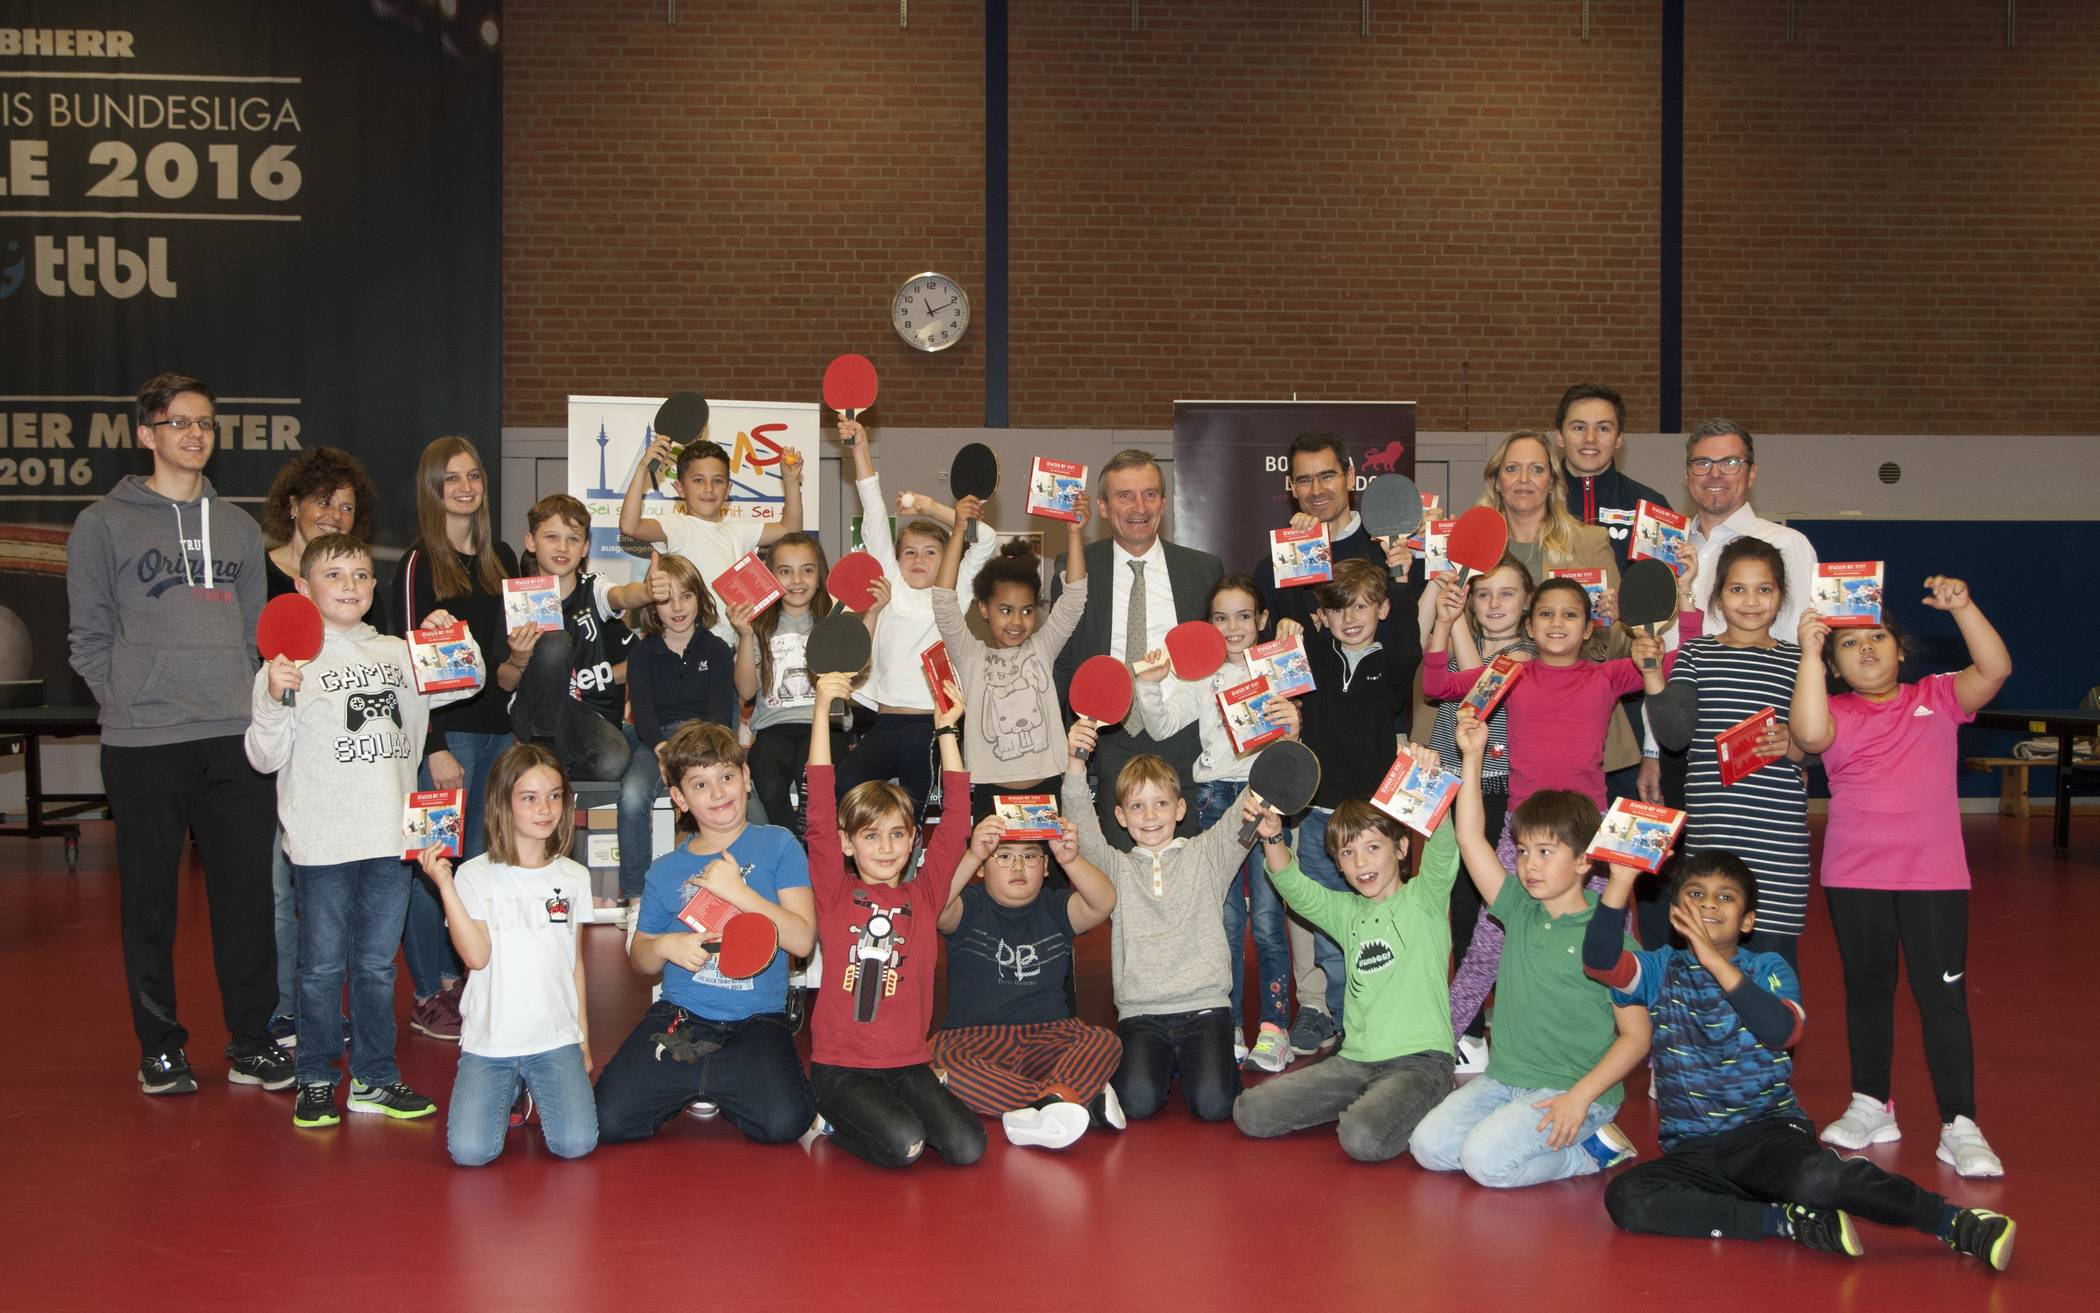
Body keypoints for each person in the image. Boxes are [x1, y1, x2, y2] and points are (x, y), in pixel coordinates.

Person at [1584, 853, 2015, 1270]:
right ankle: (1784, 1221)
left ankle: (1955, 1223)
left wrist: (1713, 960)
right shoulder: (1660, 968)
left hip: (1767, 1137)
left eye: (1725, 897)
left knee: (1821, 1181)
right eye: (1695, 894)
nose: (1708, 904)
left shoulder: (1767, 967)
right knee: (1627, 1197)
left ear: (1748, 921)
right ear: (1677, 912)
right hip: (1692, 1149)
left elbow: (1780, 1031)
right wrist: (1620, 884)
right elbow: (1601, 962)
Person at [66, 372, 292, 1097]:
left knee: (246, 900)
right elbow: (88, 637)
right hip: (144, 741)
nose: (195, 434)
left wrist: (251, 707)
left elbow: (259, 637)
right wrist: (131, 699)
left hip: (233, 737)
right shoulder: (103, 523)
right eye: (180, 422)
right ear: (147, 432)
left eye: (205, 423)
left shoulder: (237, 527)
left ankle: (253, 1039)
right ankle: (160, 1045)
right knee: (151, 904)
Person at [246, 531, 478, 1127]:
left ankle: (374, 1078)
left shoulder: (399, 654)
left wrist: (452, 635)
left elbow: (469, 682)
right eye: (334, 574)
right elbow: (263, 756)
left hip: (390, 839)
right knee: (322, 967)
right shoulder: (287, 664)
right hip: (322, 842)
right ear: (303, 588)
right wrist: (273, 697)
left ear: (374, 589)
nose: (349, 584)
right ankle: (317, 1077)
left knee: (376, 967)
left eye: (360, 574)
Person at [1790, 576, 2012, 1177]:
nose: (1866, 650)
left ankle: (1959, 1122)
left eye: (1879, 637)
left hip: (1934, 878)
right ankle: (1871, 1103)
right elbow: (1808, 737)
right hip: (1854, 876)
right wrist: (1808, 652)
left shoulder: (1939, 697)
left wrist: (1964, 607)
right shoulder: (1830, 710)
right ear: (1833, 664)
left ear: (1901, 649)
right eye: (1848, 644)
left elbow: (1993, 670)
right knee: (1867, 990)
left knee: (1942, 998)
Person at [1424, 568, 1695, 1053]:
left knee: (1614, 939)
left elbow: (1673, 662)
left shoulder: (1607, 675)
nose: (1556, 623)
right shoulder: (1509, 673)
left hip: (1589, 835)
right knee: (1489, 942)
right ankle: (1440, 1042)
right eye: (1546, 614)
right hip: (1521, 830)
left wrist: (1684, 608)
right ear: (1529, 626)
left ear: (1589, 628)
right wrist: (1443, 625)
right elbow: (1438, 685)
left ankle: (1650, 1046)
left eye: (1570, 615)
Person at [1408, 712, 1651, 1186]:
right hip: (1504, 1081)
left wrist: (1580, 1098)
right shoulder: (1518, 908)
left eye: (1545, 852)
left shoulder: (1610, 938)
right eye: (1521, 852)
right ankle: (1525, 1131)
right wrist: (1473, 757)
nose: (1528, 865)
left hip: (1575, 1089)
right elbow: (1469, 837)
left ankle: (1592, 1151)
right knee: (1428, 1148)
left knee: (1485, 1163)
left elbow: (1637, 1037)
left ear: (1584, 861)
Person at [592, 721, 817, 1145]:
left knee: (785, 1124)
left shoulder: (779, 844)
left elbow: (802, 940)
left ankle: (706, 1078)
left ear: (746, 779)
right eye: (700, 784)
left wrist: (738, 892)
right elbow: (641, 960)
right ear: (679, 799)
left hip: (758, 1019)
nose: (718, 794)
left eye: (727, 777)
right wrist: (664, 945)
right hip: (684, 1017)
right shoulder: (664, 870)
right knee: (608, 1119)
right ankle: (707, 1077)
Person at [804, 669, 986, 1169]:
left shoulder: (923, 896)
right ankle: (832, 1116)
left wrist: (947, 732)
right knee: (906, 1146)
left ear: (913, 841)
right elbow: (819, 809)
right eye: (870, 836)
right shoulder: (835, 892)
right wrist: (822, 712)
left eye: (897, 835)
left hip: (908, 1064)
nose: (885, 848)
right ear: (847, 843)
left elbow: (955, 823)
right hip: (841, 1068)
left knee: (969, 1147)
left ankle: (889, 1110)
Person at [1131, 576, 1302, 1072]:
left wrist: (1293, 724)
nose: (1233, 627)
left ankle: (1274, 1028)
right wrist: (1149, 681)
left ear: (1262, 620)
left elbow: (1294, 735)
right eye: (1221, 618)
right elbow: (1162, 725)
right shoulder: (1200, 674)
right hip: (1211, 798)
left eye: (1244, 616)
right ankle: (1225, 1026)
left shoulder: (1278, 665)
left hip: (1266, 794)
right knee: (1224, 919)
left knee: (1269, 921)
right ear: (1209, 625)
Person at [1233, 801, 1460, 1162]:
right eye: (1348, 853)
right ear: (1338, 864)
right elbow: (1294, 887)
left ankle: (1421, 1097)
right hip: (1354, 1062)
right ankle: (1379, 1101)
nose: (1361, 863)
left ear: (1401, 849)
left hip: (1420, 1061)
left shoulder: (1424, 898)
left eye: (1373, 848)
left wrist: (1433, 791)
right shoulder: (1346, 911)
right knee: (1251, 1111)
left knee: (1361, 1138)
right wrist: (1273, 836)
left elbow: (1444, 848)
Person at [391, 435, 522, 1043]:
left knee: (473, 868)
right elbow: (409, 664)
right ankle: (429, 992)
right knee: (429, 866)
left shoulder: (501, 557)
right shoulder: (418, 562)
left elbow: (508, 658)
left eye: (473, 476)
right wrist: (432, 745)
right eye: (452, 479)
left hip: (499, 733)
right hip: (445, 740)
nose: (465, 487)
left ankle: (464, 981)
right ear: (432, 489)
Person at [1060, 721, 1249, 1123]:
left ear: (1180, 809)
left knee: (1215, 1106)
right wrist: (1075, 765)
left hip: (1206, 1009)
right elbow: (1082, 826)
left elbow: (1245, 812)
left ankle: (1204, 1061)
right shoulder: (1114, 868)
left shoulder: (1208, 856)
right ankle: (1169, 1063)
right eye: (1137, 806)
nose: (1150, 816)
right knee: (1137, 1104)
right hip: (1141, 1014)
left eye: (1161, 804)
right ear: (1121, 816)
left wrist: (1281, 741)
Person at [421, 744, 598, 1167]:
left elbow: (574, 966)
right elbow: (476, 958)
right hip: (492, 1043)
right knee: (470, 1153)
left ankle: (537, 1084)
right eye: (530, 798)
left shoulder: (574, 876)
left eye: (555, 796)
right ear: (504, 802)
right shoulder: (475, 874)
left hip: (555, 1040)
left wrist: (584, 1041)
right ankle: (512, 1087)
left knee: (576, 1144)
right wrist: (445, 887)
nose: (545, 809)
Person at [255, 446, 379, 1046]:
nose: (335, 514)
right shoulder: (262, 572)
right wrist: (268, 703)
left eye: (347, 507)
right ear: (293, 505)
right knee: (286, 892)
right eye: (324, 502)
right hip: (275, 742)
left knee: (343, 910)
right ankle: (289, 1011)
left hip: (346, 768)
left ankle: (332, 1017)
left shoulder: (355, 597)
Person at [1644, 537, 1811, 965]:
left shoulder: (1799, 660)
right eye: (1738, 589)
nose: (1751, 601)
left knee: (1772, 966)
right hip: (1714, 832)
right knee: (1703, 961)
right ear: (1717, 595)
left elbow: (1822, 740)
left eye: (1764, 589)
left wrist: (1796, 746)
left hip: (1778, 840)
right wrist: (1650, 674)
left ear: (1781, 595)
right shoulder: (1696, 654)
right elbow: (1675, 735)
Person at [1639, 418, 1819, 807]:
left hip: (1753, 743)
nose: (1715, 474)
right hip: (1676, 737)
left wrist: (1797, 738)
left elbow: (1800, 649)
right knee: (1682, 865)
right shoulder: (1664, 546)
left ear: (1751, 473)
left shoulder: (1787, 545)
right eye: (1702, 463)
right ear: (1688, 475)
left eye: (1730, 463)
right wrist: (1652, 751)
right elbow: (1656, 651)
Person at [1051, 448, 1224, 843]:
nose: (1139, 506)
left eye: (1150, 494)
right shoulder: (1075, 566)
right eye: (1125, 495)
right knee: (1117, 871)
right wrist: (1067, 740)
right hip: (1109, 739)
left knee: (1189, 866)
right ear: (1103, 507)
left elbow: (1221, 653)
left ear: (1164, 503)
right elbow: (1061, 663)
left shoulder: (1203, 570)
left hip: (1186, 738)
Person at [1286, 558, 1421, 1058]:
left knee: (1381, 923)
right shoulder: (1315, 652)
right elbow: (1295, 619)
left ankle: (1383, 1014)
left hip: (1372, 826)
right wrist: (1295, 610)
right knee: (1328, 928)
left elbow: (1409, 637)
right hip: (1321, 820)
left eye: (1362, 606)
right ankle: (1340, 1017)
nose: (1350, 618)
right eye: (1339, 609)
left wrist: (1403, 579)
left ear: (1382, 608)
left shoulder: (1394, 661)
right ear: (1325, 615)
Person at [928, 813, 1123, 1150]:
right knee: (942, 1070)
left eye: (1030, 857)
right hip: (972, 1039)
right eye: (1003, 857)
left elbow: (1103, 902)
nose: (1018, 867)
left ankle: (1044, 1104)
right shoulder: (968, 907)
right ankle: (1063, 1100)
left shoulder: (1056, 908)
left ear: (1046, 868)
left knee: (1105, 1041)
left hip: (1048, 1036)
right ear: (981, 868)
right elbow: (933, 906)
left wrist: (1071, 859)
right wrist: (973, 852)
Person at [834, 417, 995, 814]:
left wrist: (929, 506)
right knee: (845, 782)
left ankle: (916, 868)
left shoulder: (952, 591)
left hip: (934, 726)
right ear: (897, 558)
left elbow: (986, 538)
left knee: (916, 807)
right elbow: (873, 511)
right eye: (909, 552)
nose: (918, 559)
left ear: (947, 557)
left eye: (930, 552)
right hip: (884, 724)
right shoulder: (890, 584)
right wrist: (859, 448)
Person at [1417, 555, 1534, 1072]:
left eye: (1507, 594)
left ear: (1527, 603)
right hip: (1452, 788)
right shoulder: (1467, 640)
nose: (1493, 604)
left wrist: (1453, 619)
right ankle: (1470, 1028)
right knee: (1462, 909)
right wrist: (1445, 619)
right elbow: (1438, 683)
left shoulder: (1530, 652)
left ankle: (1511, 1023)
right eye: (1483, 593)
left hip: (1500, 792)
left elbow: (1477, 686)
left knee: (1502, 915)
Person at [933, 493, 1088, 818]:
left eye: (1026, 611)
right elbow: (944, 603)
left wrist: (1074, 535)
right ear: (983, 609)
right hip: (990, 792)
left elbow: (1073, 600)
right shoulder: (971, 655)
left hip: (1050, 786)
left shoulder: (1042, 648)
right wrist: (959, 531)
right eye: (1005, 610)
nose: (1017, 621)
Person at [509, 493, 655, 804]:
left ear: (586, 548)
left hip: (582, 716)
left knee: (614, 760)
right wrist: (518, 658)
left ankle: (554, 768)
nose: (562, 547)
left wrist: (645, 592)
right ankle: (543, 752)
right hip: (532, 715)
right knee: (556, 640)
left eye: (573, 539)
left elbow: (621, 596)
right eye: (551, 537)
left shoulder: (594, 589)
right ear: (531, 542)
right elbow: (503, 681)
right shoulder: (516, 600)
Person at [618, 427, 804, 648]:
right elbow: (630, 526)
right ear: (680, 488)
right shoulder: (676, 527)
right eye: (698, 480)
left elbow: (790, 528)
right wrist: (642, 469)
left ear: (728, 489)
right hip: (687, 647)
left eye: (717, 481)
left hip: (731, 648)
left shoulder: (738, 531)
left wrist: (791, 482)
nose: (708, 489)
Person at [621, 553, 738, 900]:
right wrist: (662, 750)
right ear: (651, 605)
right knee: (631, 796)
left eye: (685, 596)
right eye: (665, 598)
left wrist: (694, 753)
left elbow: (719, 715)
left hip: (707, 741)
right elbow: (643, 714)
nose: (677, 606)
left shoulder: (716, 649)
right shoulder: (642, 653)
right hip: (655, 741)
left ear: (700, 599)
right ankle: (635, 896)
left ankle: (746, 889)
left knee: (749, 802)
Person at [1254, 430, 1412, 641]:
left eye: (1327, 476)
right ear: (1293, 488)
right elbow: (1263, 648)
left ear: (1350, 477)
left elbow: (1411, 638)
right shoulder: (1274, 566)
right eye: (1304, 480)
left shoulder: (1389, 553)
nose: (1316, 490)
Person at [729, 531, 831, 838]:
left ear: (820, 575)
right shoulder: (759, 625)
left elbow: (857, 669)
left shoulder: (834, 618)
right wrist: (746, 635)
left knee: (813, 778)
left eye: (807, 570)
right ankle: (793, 852)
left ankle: (816, 849)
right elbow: (746, 691)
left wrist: (871, 615)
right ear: (769, 577)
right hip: (774, 726)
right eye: (785, 571)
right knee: (768, 780)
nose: (797, 580)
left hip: (826, 725)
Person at [1550, 383, 1671, 569]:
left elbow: (1661, 587)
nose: (1590, 438)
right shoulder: (1537, 501)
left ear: (1619, 439)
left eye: (1603, 428)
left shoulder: (1650, 505)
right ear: (1559, 436)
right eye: (1579, 428)